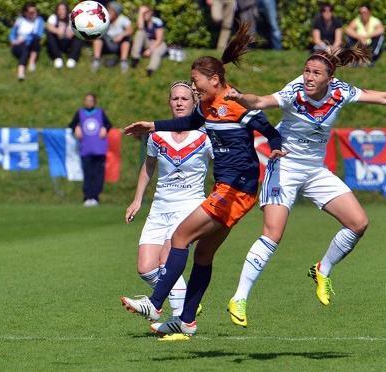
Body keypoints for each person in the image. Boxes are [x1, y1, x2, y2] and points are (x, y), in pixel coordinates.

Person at [222, 45, 386, 327]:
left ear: (330, 79)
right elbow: (259, 102)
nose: (308, 76)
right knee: (273, 234)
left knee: (358, 222)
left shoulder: (340, 92)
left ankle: (322, 269)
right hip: (285, 167)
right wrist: (241, 97)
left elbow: (384, 98)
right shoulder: (294, 93)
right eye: (306, 70)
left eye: (316, 73)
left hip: (315, 170)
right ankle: (240, 297)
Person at [120, 22, 286, 338]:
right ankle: (187, 321)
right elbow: (188, 120)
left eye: (196, 82)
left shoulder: (236, 103)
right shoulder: (208, 106)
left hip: (238, 190)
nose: (193, 88)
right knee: (203, 254)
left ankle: (155, 305)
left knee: (180, 237)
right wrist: (152, 125)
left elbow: (271, 132)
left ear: (214, 80)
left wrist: (276, 149)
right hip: (229, 189)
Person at [125, 81, 213, 318]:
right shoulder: (157, 135)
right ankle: (181, 297)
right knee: (145, 268)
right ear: (169, 102)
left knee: (167, 258)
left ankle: (179, 321)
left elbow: (224, 166)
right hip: (160, 206)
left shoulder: (205, 136)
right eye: (175, 98)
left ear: (195, 102)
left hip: (189, 206)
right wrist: (137, 200)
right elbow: (149, 166)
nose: (179, 103)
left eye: (185, 98)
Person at [68, 92, 113, 207]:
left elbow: (109, 125)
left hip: (98, 149)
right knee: (88, 174)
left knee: (98, 174)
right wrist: (76, 128)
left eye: (90, 100)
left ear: (94, 101)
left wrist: (104, 128)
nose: (88, 102)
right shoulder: (80, 113)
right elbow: (71, 125)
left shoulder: (100, 112)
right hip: (86, 148)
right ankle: (88, 196)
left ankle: (95, 196)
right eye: (86, 100)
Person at [91, 1, 133, 72]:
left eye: (111, 10)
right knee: (98, 37)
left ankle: (123, 61)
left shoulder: (123, 19)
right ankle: (96, 60)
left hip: (119, 44)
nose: (108, 12)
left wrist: (121, 35)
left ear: (116, 11)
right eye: (108, 10)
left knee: (127, 39)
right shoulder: (104, 18)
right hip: (107, 43)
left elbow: (130, 30)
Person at [9, 2, 45, 81]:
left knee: (36, 38)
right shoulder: (20, 20)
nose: (34, 13)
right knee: (24, 52)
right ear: (25, 13)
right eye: (31, 12)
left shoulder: (39, 20)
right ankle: (21, 73)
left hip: (31, 44)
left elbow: (38, 34)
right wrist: (13, 41)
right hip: (19, 44)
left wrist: (24, 39)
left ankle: (31, 62)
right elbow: (12, 33)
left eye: (35, 11)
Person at [130, 5, 168, 76]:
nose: (145, 14)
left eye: (146, 12)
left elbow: (159, 39)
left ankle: (151, 69)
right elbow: (140, 28)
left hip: (157, 43)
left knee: (157, 51)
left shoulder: (157, 22)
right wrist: (140, 13)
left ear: (151, 12)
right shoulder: (141, 21)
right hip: (146, 42)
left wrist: (150, 50)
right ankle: (135, 59)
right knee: (139, 33)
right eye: (143, 13)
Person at [46, 1, 84, 69]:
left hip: (69, 42)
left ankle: (72, 58)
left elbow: (79, 27)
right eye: (59, 9)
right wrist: (57, 31)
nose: (61, 11)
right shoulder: (53, 17)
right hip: (58, 42)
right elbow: (49, 26)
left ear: (67, 10)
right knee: (49, 34)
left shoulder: (71, 17)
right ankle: (57, 58)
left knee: (79, 35)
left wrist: (73, 32)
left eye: (63, 9)